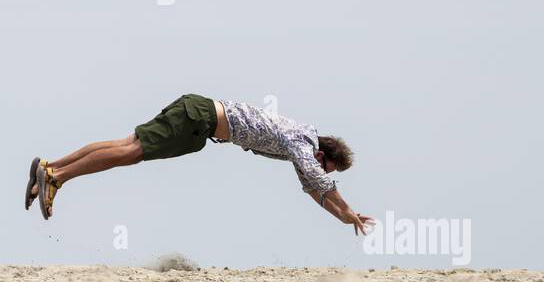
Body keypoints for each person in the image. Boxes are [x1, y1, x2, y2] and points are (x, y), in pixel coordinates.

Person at [25, 93, 374, 235]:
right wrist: (348, 211)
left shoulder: (302, 140)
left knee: (126, 144)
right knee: (131, 153)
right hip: (200, 120)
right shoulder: (303, 143)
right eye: (326, 167)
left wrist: (343, 216)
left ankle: (49, 168)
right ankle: (58, 177)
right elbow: (320, 182)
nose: (320, 171)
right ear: (323, 154)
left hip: (199, 112)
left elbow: (314, 188)